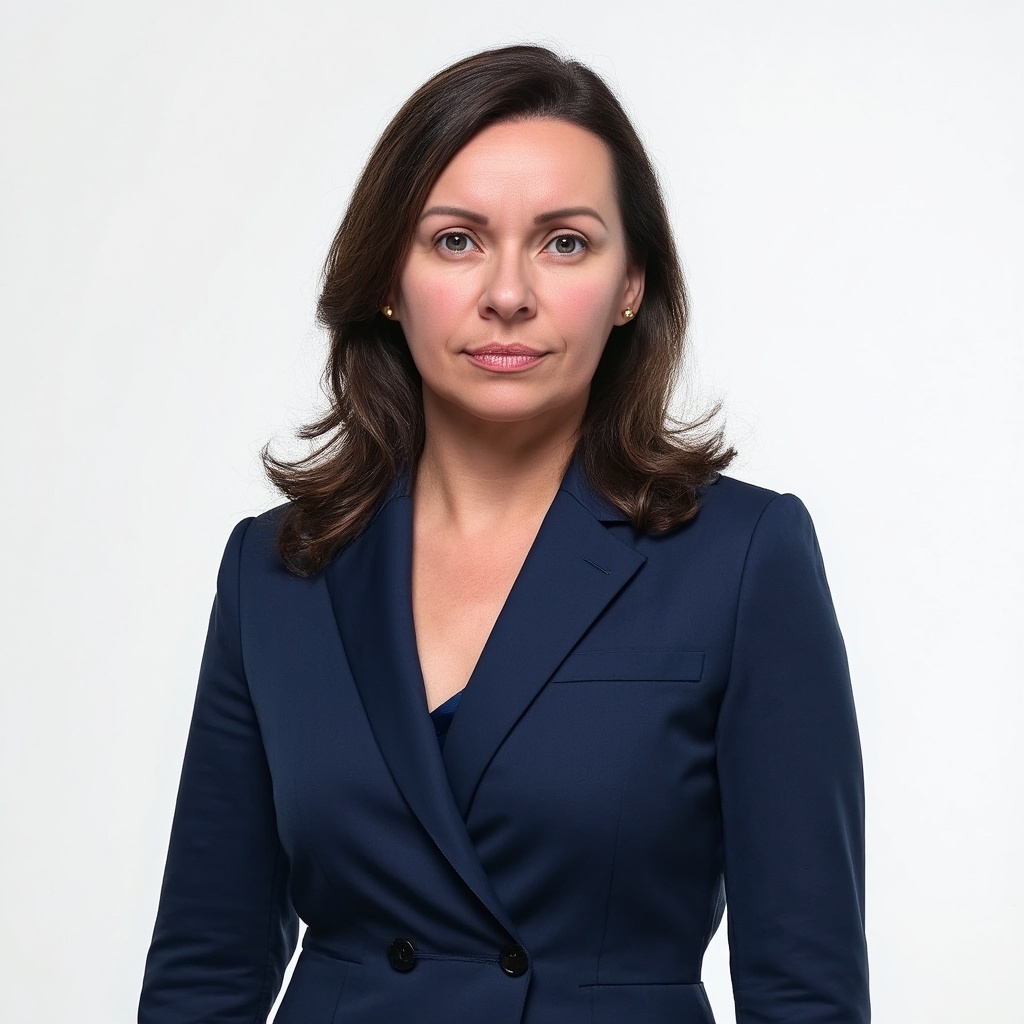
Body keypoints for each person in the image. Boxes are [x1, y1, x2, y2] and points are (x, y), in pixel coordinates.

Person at [138, 44, 869, 1024]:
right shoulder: (279, 569)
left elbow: (805, 992)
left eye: (564, 241)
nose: (508, 292)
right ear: (389, 277)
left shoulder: (740, 557)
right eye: (456, 239)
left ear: (630, 284)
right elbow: (206, 970)